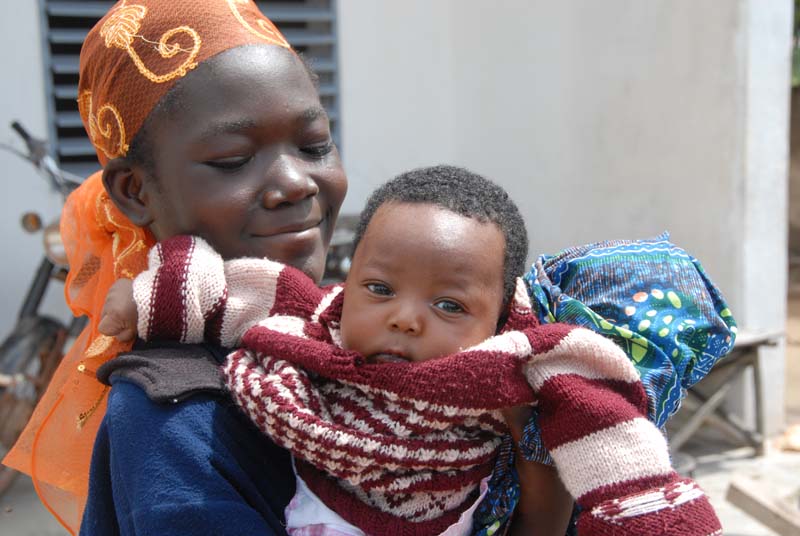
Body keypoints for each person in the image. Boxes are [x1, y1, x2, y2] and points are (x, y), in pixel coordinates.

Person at [101, 165, 724, 535]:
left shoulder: (515, 391)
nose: (403, 319)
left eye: (449, 305)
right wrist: (146, 297)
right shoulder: (306, 344)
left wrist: (528, 441)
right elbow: (234, 289)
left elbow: (619, 467)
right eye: (379, 288)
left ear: (499, 323)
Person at [3, 1, 346, 534]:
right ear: (135, 191)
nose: (297, 183)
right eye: (233, 160)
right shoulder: (177, 416)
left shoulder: (345, 326)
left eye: (314, 145)